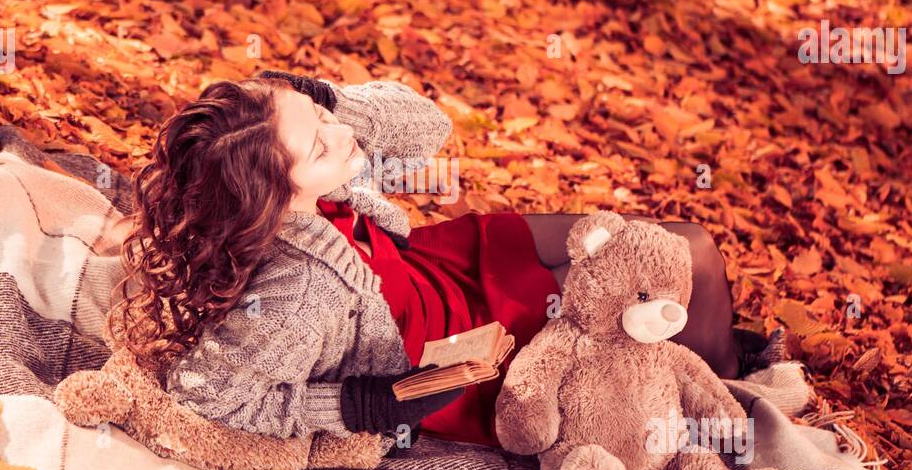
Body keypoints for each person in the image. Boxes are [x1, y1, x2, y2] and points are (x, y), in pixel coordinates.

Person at [109, 70, 742, 450]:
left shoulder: (309, 178)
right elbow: (210, 395)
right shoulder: (297, 294)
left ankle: (695, 361)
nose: (345, 136)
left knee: (674, 248)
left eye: (324, 118)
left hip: (441, 267)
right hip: (466, 342)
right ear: (273, 191)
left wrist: (318, 97)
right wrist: (359, 406)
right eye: (321, 145)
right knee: (697, 266)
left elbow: (428, 130)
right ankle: (713, 387)